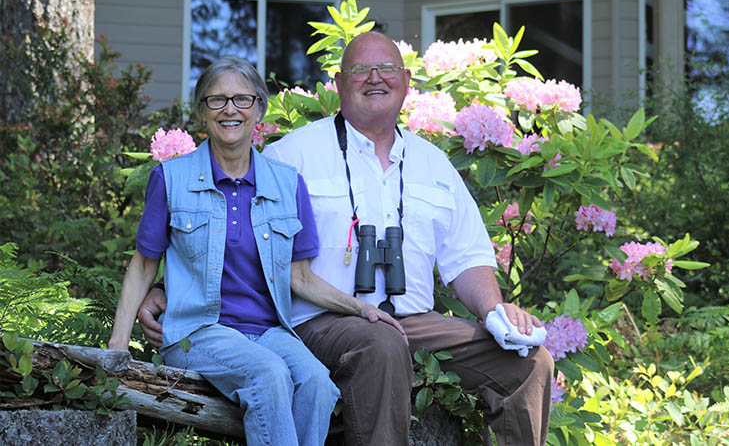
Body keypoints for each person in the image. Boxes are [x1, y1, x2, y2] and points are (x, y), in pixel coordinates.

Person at [138, 34, 554, 445]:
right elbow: (232, 237)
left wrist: (497, 312)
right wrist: (166, 288)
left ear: (406, 81)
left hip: (413, 322)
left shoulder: (434, 164)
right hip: (321, 323)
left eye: (387, 69)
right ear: (338, 83)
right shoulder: (293, 155)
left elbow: (467, 258)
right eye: (360, 70)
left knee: (528, 361)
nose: (375, 78)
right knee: (380, 343)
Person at [109, 55, 405, 446]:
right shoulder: (172, 178)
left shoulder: (287, 184)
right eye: (217, 100)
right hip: (197, 332)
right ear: (202, 111)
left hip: (266, 331)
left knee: (317, 384)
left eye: (242, 99)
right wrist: (116, 347)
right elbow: (144, 266)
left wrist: (361, 307)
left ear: (259, 109)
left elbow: (301, 278)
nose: (230, 109)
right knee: (268, 375)